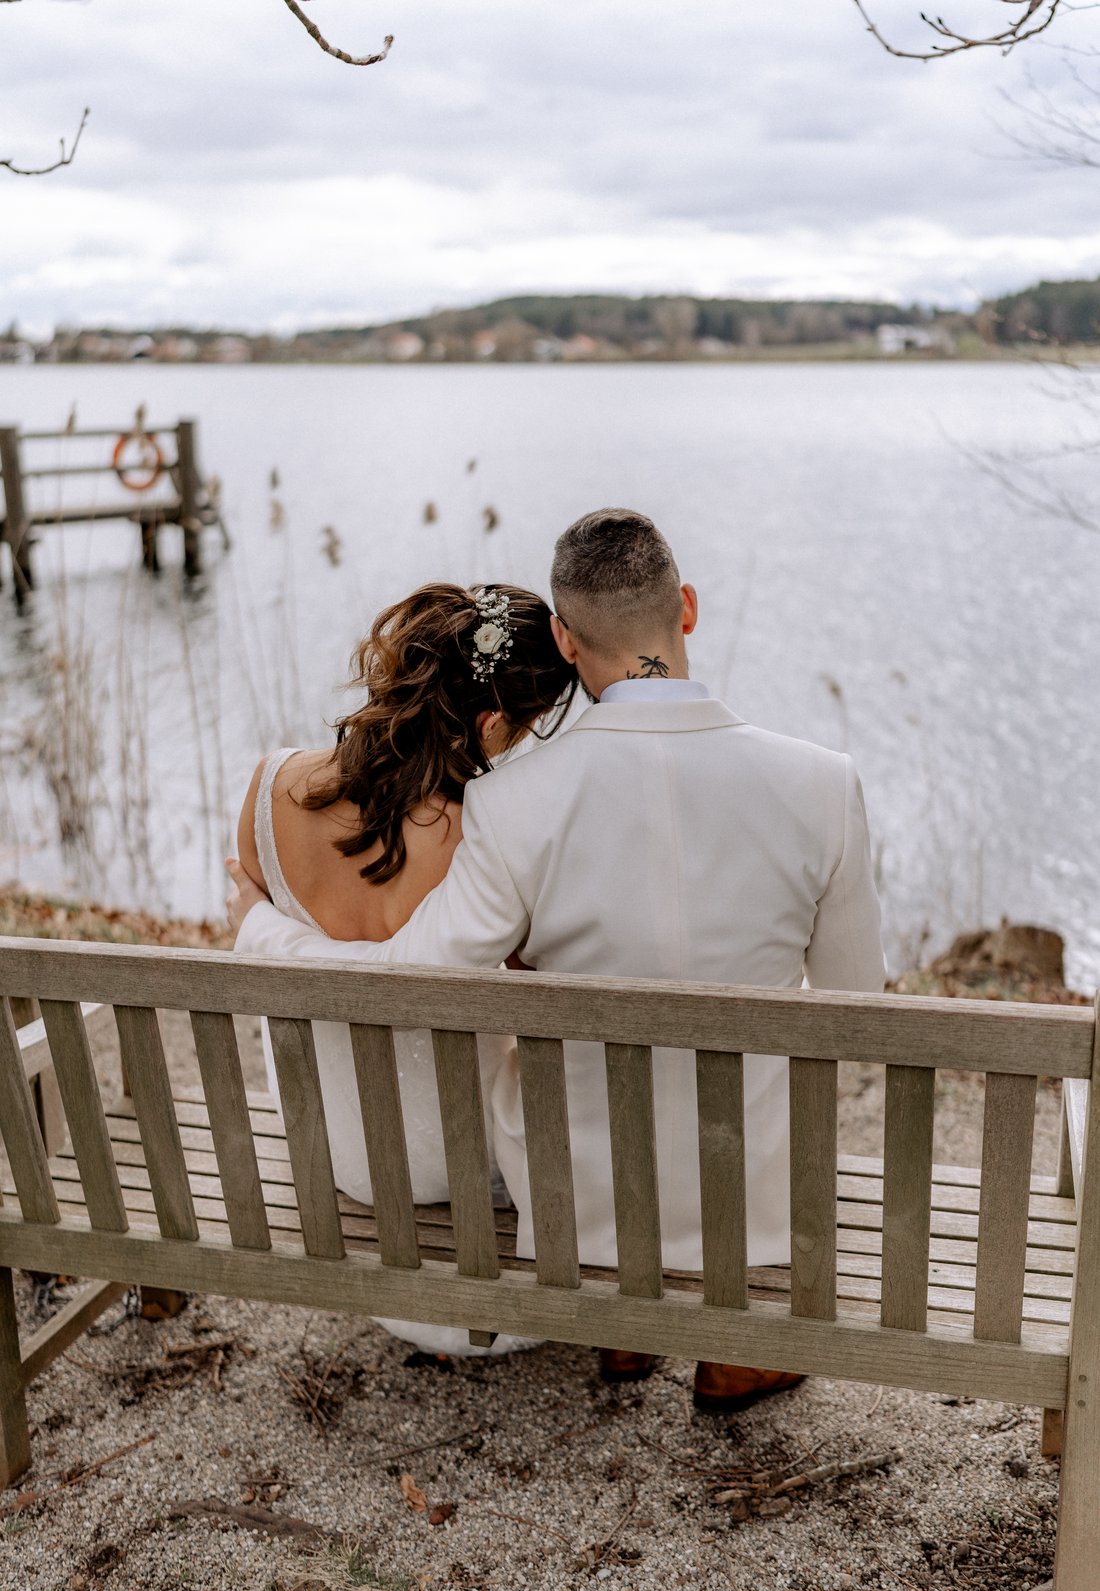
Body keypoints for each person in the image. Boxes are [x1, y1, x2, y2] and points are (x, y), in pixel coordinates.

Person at [228, 509, 885, 1409]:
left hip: (587, 1213)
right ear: (686, 608)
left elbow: (407, 981)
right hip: (759, 1216)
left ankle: (620, 1332)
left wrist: (264, 930)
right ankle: (735, 1348)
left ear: (568, 644)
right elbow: (858, 1008)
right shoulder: (825, 782)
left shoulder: (515, 803)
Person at [234, 580, 576, 1355]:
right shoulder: (483, 838)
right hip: (469, 1167)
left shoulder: (267, 790)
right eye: (529, 730)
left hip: (350, 1160)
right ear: (489, 724)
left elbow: (333, 957)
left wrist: (257, 925)